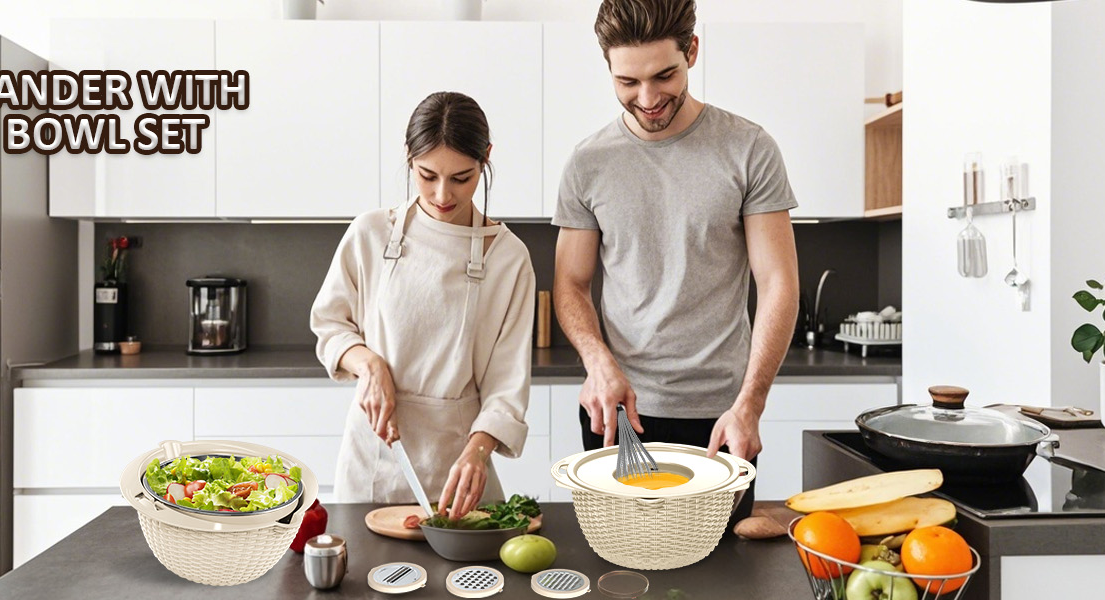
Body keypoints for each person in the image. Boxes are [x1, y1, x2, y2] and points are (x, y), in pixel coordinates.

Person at [551, 0, 801, 527]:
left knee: (723, 572)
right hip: (618, 413)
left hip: (723, 417)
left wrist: (751, 404)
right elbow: (570, 284)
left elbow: (778, 283)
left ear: (692, 50)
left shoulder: (748, 149)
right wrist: (598, 363)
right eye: (627, 82)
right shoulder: (587, 162)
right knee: (619, 567)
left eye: (664, 75)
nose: (648, 99)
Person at [311, 91, 537, 518]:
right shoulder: (371, 233)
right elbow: (329, 325)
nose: (442, 194)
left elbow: (507, 387)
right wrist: (369, 365)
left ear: (486, 158)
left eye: (462, 178)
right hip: (372, 463)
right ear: (408, 157)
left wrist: (479, 450)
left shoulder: (508, 258)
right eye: (426, 174)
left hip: (462, 470)